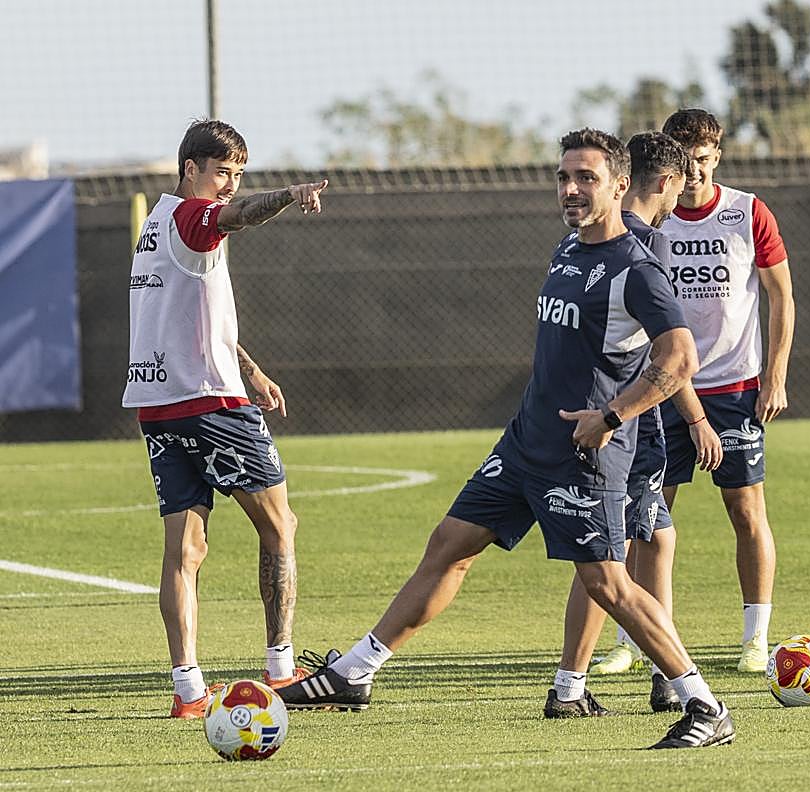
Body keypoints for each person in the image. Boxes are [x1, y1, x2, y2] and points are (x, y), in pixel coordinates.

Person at [279, 128, 735, 749]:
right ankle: (353, 675)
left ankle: (704, 705)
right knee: (449, 545)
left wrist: (614, 416)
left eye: (587, 179)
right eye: (563, 177)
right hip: (525, 444)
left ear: (620, 186)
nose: (571, 190)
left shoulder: (637, 268)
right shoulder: (566, 251)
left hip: (584, 455)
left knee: (608, 583)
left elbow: (680, 357)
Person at [123, 119, 328, 718]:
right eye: (222, 172)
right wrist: (288, 197)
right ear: (191, 168)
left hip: (159, 406)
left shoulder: (155, 224)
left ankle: (188, 690)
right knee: (280, 526)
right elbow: (234, 218)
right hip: (211, 405)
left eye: (238, 174)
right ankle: (283, 670)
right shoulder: (193, 218)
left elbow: (186, 315)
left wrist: (251, 368)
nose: (231, 185)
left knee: (184, 552)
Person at [547, 131, 721, 717]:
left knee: (617, 548)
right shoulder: (637, 246)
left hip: (614, 422)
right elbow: (667, 356)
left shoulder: (588, 241)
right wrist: (695, 417)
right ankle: (661, 678)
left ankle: (578, 683)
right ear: (665, 183)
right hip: (627, 429)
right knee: (621, 550)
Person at [649, 108, 794, 672]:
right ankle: (636, 637)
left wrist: (776, 375)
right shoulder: (653, 217)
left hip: (736, 389)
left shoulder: (748, 212)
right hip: (662, 389)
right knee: (648, 514)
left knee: (746, 511)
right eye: (685, 165)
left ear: (719, 157)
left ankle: (756, 638)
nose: (694, 177)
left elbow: (781, 297)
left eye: (705, 163)